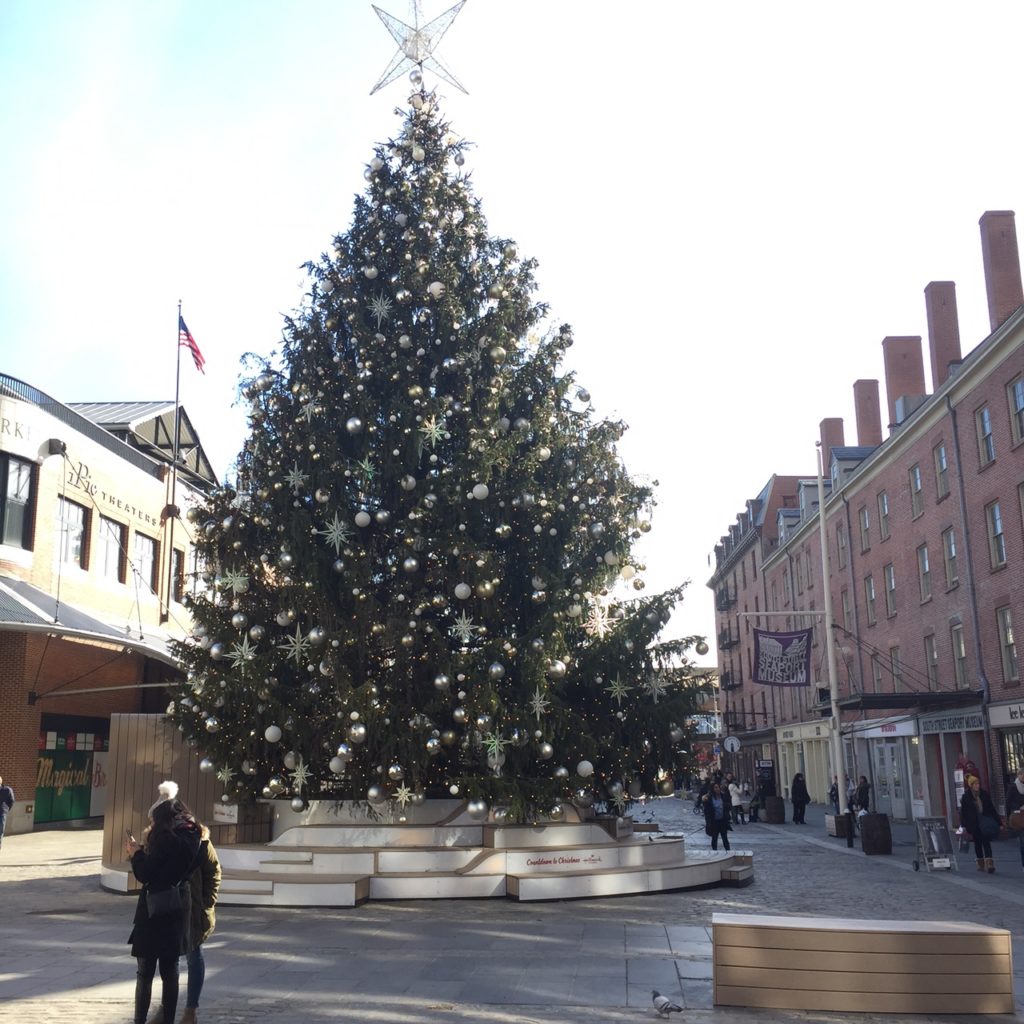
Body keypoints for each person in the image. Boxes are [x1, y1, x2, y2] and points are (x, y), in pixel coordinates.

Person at [127, 781, 200, 1024]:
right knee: (171, 972)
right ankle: (168, 1020)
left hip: (153, 910)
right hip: (177, 907)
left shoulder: (163, 840)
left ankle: (139, 1021)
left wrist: (136, 853)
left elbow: (146, 873)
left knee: (145, 972)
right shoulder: (192, 836)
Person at [176, 798, 222, 1024]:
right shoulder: (162, 837)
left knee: (193, 957)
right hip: (169, 908)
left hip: (194, 910)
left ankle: (190, 1011)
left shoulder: (201, 841)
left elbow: (214, 872)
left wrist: (206, 902)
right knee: (169, 961)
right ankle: (167, 1007)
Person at [959, 774, 1000, 873]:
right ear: (971, 785)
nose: (978, 785)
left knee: (986, 842)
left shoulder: (984, 794)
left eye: (978, 783)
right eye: (975, 784)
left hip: (984, 822)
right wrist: (964, 825)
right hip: (974, 824)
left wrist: (999, 822)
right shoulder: (966, 797)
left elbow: (991, 809)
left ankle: (989, 864)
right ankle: (980, 862)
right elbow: (963, 812)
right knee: (977, 843)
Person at [1004, 768, 1024, 873]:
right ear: (1019, 775)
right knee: (1023, 842)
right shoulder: (1013, 787)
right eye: (1023, 775)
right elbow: (1008, 802)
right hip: (1019, 818)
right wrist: (1018, 807)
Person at [702, 781, 732, 851]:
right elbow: (707, 811)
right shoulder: (709, 798)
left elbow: (728, 805)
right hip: (714, 822)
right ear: (712, 789)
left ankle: (728, 852)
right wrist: (708, 822)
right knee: (714, 838)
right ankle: (714, 852)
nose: (717, 789)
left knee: (725, 838)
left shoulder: (723, 796)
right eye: (715, 787)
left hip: (723, 821)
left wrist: (727, 808)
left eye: (718, 787)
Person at [0, 776, 14, 849]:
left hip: (1, 814)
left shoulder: (7, 790)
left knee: (0, 831)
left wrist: (5, 810)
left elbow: (11, 801)